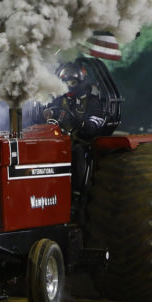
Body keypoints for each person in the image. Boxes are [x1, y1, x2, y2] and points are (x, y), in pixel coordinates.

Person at [45, 61, 106, 217]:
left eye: (73, 82)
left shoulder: (92, 101)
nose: (69, 86)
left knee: (77, 151)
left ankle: (77, 194)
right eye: (66, 82)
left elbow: (93, 127)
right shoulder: (57, 100)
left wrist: (75, 121)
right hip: (57, 142)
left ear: (80, 82)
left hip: (82, 142)